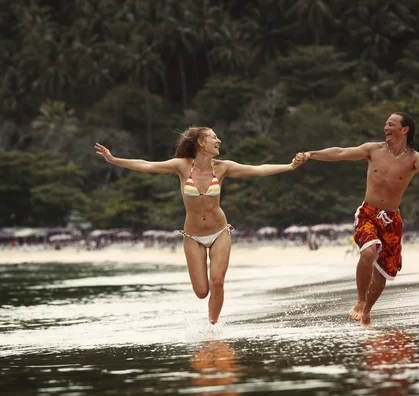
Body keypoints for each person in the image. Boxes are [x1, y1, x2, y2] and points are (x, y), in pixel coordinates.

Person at [95, 127, 305, 325]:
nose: (218, 140)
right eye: (214, 137)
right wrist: (113, 160)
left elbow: (257, 170)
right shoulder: (181, 166)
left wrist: (290, 166)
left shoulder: (223, 168)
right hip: (193, 236)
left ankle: (213, 328)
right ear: (201, 142)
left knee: (218, 283)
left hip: (219, 232)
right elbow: (147, 165)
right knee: (202, 292)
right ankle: (211, 326)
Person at [300, 112, 419, 327]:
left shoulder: (414, 158)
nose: (386, 127)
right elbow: (341, 152)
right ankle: (359, 301)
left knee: (383, 272)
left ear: (404, 130)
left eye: (391, 124)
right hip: (368, 212)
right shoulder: (373, 149)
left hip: (392, 220)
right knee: (369, 250)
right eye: (386, 124)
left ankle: (367, 312)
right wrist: (311, 154)